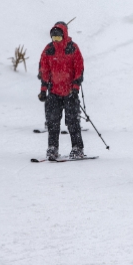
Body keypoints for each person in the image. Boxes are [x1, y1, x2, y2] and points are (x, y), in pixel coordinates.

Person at [38, 21, 85, 161]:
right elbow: (44, 70)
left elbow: (79, 68)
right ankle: (52, 148)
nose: (56, 40)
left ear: (64, 35)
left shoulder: (73, 48)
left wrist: (76, 87)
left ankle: (77, 148)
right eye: (54, 38)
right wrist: (43, 90)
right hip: (54, 92)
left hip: (70, 92)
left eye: (58, 37)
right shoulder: (48, 50)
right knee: (52, 121)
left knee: (72, 121)